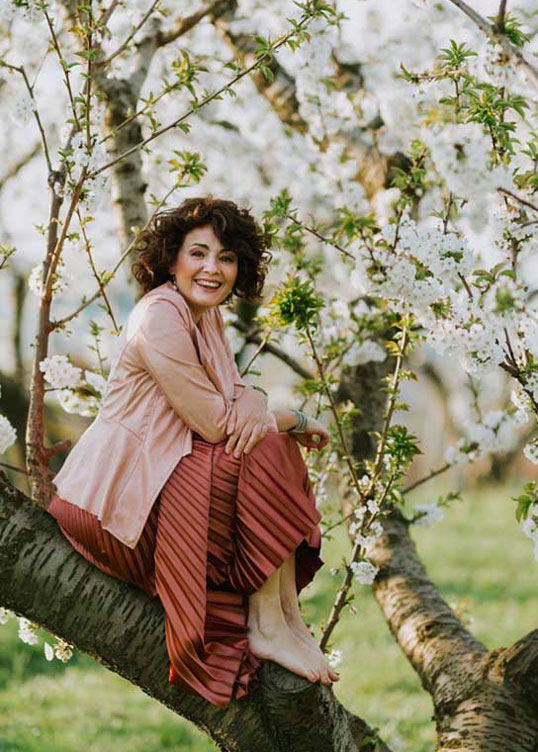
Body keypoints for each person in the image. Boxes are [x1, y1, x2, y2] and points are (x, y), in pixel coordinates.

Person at [47, 195, 340, 709]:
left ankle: (286, 619)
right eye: (199, 253)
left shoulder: (204, 317)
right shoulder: (160, 315)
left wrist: (257, 397)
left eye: (226, 258)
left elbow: (233, 403)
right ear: (172, 258)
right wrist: (291, 417)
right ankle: (267, 625)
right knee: (269, 445)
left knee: (268, 447)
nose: (212, 269)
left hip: (159, 478)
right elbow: (217, 423)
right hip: (112, 503)